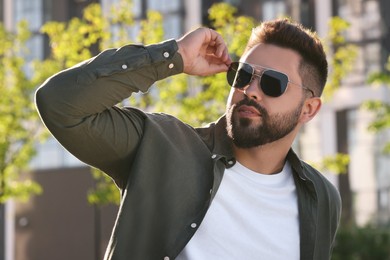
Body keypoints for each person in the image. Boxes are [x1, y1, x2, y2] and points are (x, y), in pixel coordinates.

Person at [35, 18, 341, 260]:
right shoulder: (161, 145)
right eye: (243, 75)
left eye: (273, 82)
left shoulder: (321, 197)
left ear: (309, 109)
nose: (250, 90)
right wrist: (174, 56)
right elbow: (60, 103)